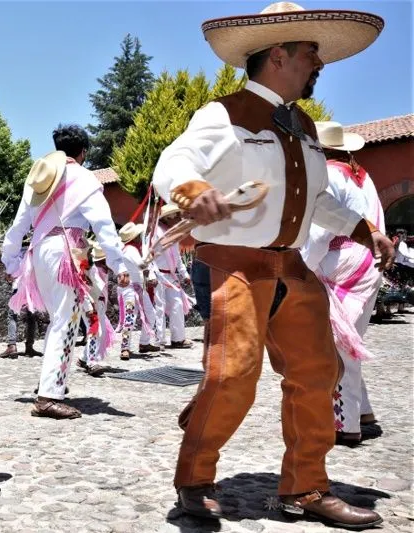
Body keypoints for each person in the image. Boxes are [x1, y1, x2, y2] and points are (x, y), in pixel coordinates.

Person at [152, 3, 393, 528]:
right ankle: (193, 478)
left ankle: (305, 488)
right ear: (279, 54)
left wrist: (363, 229)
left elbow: (318, 200)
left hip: (291, 268)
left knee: (319, 372)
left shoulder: (305, 124)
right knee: (234, 374)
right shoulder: (224, 113)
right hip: (233, 265)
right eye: (310, 52)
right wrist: (192, 190)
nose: (318, 63)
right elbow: (175, 160)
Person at [1, 124, 135, 419]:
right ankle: (48, 396)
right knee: (67, 321)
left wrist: (11, 259)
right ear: (83, 152)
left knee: (57, 320)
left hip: (39, 252)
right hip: (66, 254)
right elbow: (103, 225)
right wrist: (119, 264)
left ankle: (50, 383)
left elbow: (19, 222)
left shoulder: (40, 178)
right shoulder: (84, 179)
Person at [301, 121, 385, 446]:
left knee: (337, 347)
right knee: (351, 339)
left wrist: (301, 266)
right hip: (368, 263)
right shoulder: (361, 175)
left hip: (344, 265)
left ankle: (345, 424)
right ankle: (361, 410)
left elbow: (322, 232)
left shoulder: (330, 176)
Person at [151, 205, 194, 349]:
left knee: (178, 305)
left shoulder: (173, 233)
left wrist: (184, 273)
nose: (179, 218)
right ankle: (159, 340)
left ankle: (178, 339)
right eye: (176, 216)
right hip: (158, 275)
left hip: (171, 276)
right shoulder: (155, 233)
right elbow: (150, 255)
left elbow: (177, 257)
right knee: (159, 308)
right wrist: (153, 274)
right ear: (168, 218)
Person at [116, 222, 160, 359]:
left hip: (136, 288)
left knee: (147, 314)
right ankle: (126, 348)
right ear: (134, 237)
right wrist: (150, 274)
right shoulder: (131, 250)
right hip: (131, 289)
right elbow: (141, 265)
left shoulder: (127, 249)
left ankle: (143, 343)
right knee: (132, 317)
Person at [0, 237, 43, 359]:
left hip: (18, 286)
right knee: (31, 316)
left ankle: (12, 346)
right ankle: (29, 346)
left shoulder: (16, 254)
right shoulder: (36, 253)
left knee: (12, 315)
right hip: (33, 288)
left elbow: (10, 274)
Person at [76, 242, 115, 376]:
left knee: (100, 331)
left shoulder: (99, 268)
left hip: (98, 304)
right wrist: (88, 307)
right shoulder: (85, 270)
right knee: (94, 330)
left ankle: (83, 358)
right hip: (90, 304)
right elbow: (83, 290)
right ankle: (92, 362)